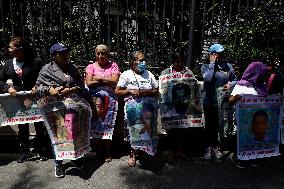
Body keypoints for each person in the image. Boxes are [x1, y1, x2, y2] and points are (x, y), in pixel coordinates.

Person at [36, 43, 89, 178]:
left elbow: (80, 84)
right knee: (59, 134)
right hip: (55, 109)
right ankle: (58, 163)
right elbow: (38, 87)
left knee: (73, 133)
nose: (66, 56)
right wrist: (50, 90)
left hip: (72, 108)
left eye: (67, 53)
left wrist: (72, 89)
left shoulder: (72, 68)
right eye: (62, 53)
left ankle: (74, 158)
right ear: (54, 56)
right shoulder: (46, 69)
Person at [0, 37, 48, 163]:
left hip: (35, 98)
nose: (9, 49)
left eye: (11, 47)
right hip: (18, 100)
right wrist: (7, 88)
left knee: (39, 124)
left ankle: (42, 149)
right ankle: (24, 151)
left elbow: (45, 76)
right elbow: (0, 80)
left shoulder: (35, 61)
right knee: (22, 125)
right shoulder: (9, 64)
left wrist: (37, 85)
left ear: (20, 49)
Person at [115, 51, 159, 167]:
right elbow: (118, 91)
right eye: (140, 60)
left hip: (148, 105)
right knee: (135, 123)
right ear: (133, 62)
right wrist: (130, 91)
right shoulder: (126, 74)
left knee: (148, 122)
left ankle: (146, 152)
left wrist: (145, 92)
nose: (143, 63)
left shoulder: (149, 74)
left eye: (144, 60)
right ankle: (133, 154)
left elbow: (156, 90)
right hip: (133, 105)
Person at [160, 52, 201, 162]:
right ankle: (172, 151)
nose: (180, 63)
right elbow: (162, 89)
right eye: (177, 61)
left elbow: (194, 86)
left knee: (182, 129)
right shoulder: (166, 72)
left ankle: (179, 150)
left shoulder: (188, 72)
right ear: (172, 62)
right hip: (171, 106)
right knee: (171, 129)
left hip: (184, 106)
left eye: (181, 61)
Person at [229, 61, 269, 168]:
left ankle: (253, 158)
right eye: (262, 73)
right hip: (243, 120)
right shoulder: (240, 85)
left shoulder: (261, 87)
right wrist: (235, 98)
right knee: (243, 139)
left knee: (254, 139)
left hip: (256, 122)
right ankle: (241, 159)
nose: (264, 75)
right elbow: (230, 100)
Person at [201, 43, 238, 160]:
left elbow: (235, 79)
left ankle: (215, 146)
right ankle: (207, 147)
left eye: (221, 53)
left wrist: (230, 84)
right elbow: (208, 78)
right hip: (208, 101)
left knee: (218, 125)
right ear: (212, 54)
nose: (220, 55)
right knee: (209, 126)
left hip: (222, 101)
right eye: (217, 53)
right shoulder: (205, 66)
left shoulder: (228, 67)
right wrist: (212, 64)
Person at [85, 44, 120, 163]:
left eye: (103, 53)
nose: (100, 56)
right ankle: (99, 152)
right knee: (96, 125)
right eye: (98, 53)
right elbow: (89, 83)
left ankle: (107, 152)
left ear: (107, 54)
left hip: (110, 102)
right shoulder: (90, 66)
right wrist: (106, 80)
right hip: (95, 101)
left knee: (108, 126)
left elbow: (115, 81)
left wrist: (98, 78)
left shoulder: (113, 65)